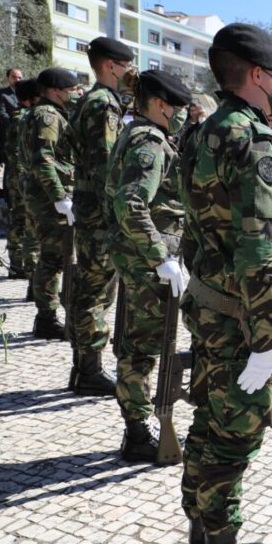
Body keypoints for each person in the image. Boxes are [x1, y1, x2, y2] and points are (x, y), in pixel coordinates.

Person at [177, 23, 272, 544]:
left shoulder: (205, 131)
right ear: (256, 74)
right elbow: (258, 248)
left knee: (208, 427)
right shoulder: (253, 140)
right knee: (232, 440)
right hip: (240, 318)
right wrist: (268, 339)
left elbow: (195, 230)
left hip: (210, 306)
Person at [105, 70, 194, 462]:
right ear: (161, 105)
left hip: (138, 256)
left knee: (136, 345)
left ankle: (137, 427)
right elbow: (131, 203)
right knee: (141, 350)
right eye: (176, 108)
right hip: (147, 261)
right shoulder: (150, 142)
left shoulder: (135, 132)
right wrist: (161, 258)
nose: (179, 116)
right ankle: (138, 433)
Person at [70, 37, 136, 396]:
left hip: (90, 208)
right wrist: (119, 218)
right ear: (112, 66)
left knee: (91, 288)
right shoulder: (103, 105)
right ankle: (88, 370)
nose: (131, 72)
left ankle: (84, 366)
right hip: (99, 212)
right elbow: (107, 167)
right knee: (96, 292)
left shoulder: (94, 100)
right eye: (127, 66)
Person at [25, 68, 81, 339]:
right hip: (48, 198)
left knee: (54, 257)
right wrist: (59, 197)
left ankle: (47, 316)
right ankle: (46, 319)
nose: (76, 94)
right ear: (57, 91)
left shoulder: (47, 113)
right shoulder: (47, 116)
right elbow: (43, 160)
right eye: (72, 90)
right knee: (53, 259)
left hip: (46, 195)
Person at [2, 77, 37, 281]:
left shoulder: (23, 116)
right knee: (20, 221)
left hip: (19, 178)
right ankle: (17, 265)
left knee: (22, 221)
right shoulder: (21, 119)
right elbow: (15, 153)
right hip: (19, 180)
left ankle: (20, 265)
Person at [0, 67, 23, 169]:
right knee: (10, 168)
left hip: (24, 137)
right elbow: (2, 114)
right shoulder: (1, 93)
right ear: (8, 78)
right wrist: (17, 124)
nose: (17, 80)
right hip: (8, 135)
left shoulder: (26, 93)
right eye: (14, 77)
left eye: (19, 77)